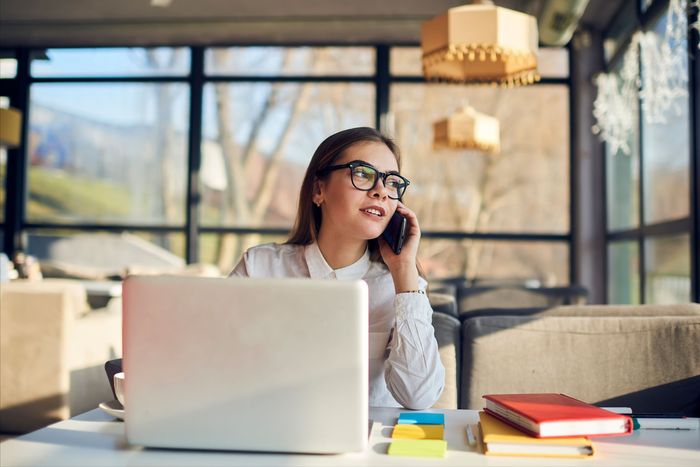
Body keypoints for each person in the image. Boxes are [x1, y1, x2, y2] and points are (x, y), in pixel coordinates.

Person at [230, 127, 445, 410]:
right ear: (319, 190)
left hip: (368, 447)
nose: (381, 191)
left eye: (392, 182)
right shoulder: (259, 268)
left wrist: (404, 270)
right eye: (363, 174)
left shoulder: (401, 285)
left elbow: (419, 397)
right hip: (269, 431)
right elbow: (217, 363)